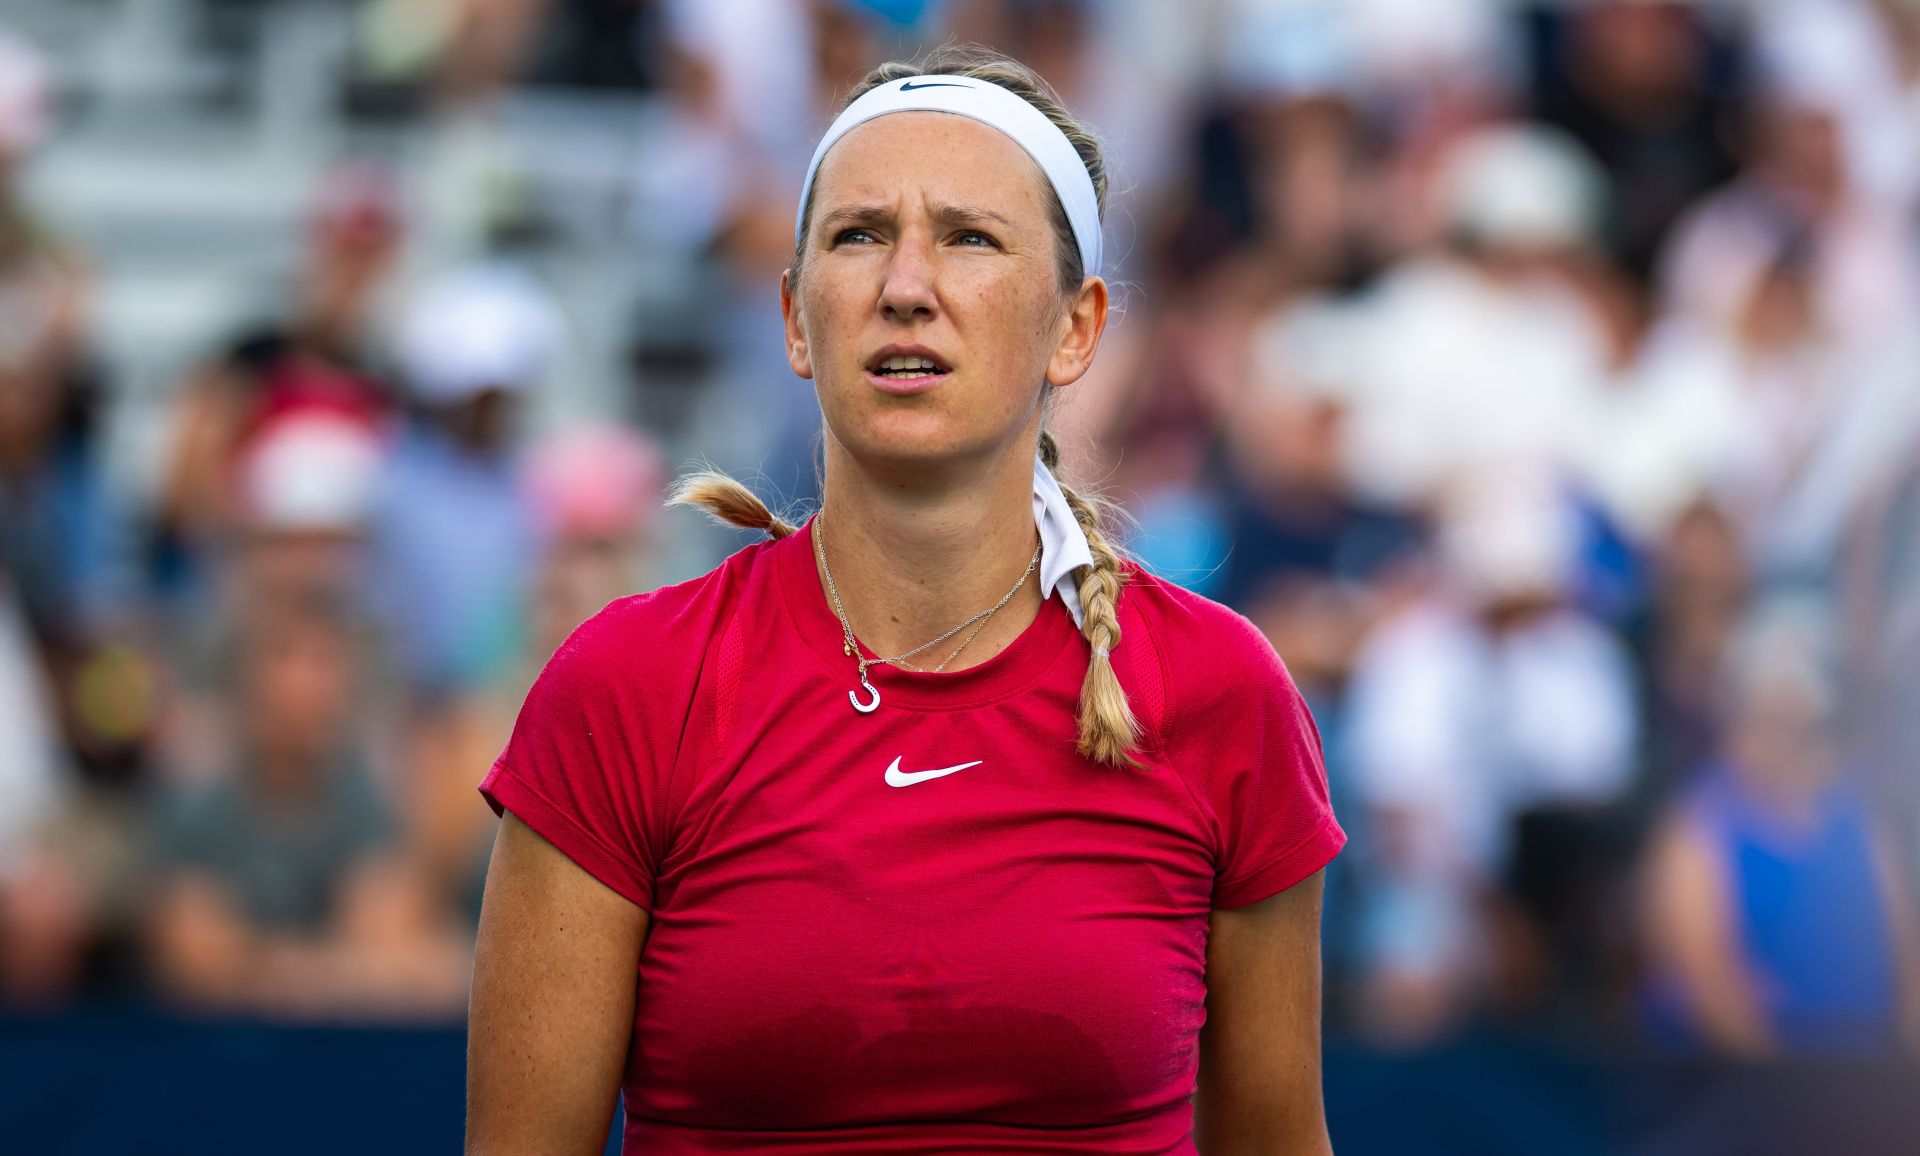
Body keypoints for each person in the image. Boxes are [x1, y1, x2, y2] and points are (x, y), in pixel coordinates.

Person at [466, 44, 1346, 1155]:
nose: (906, 286)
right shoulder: (628, 686)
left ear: (1077, 327)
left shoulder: (1220, 690)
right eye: (859, 235)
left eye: (970, 237)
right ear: (795, 319)